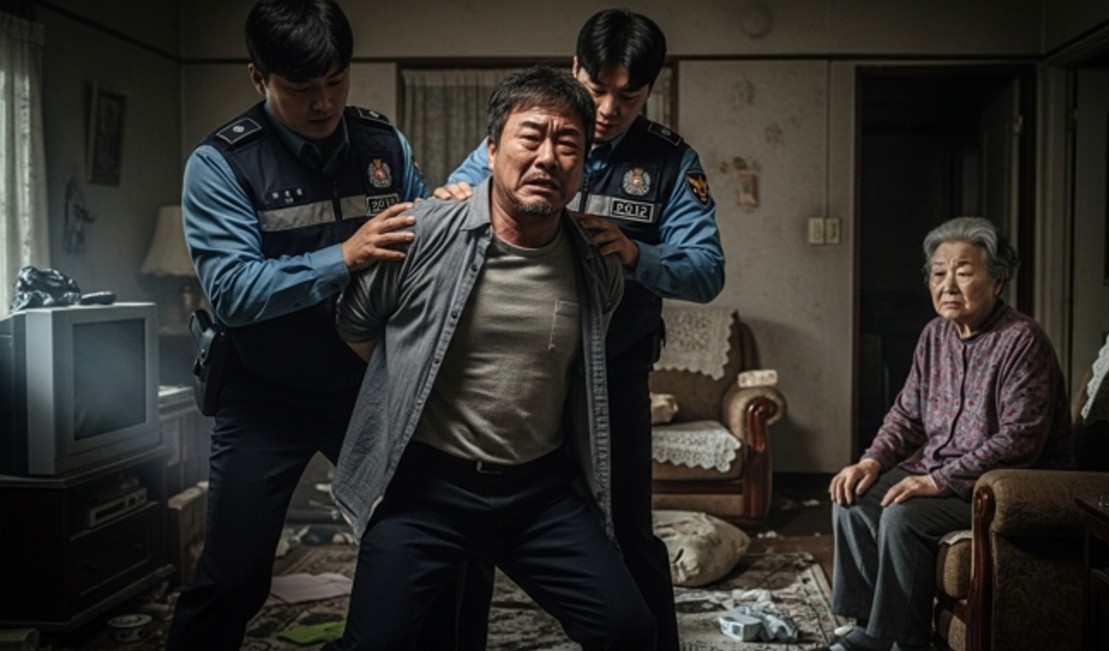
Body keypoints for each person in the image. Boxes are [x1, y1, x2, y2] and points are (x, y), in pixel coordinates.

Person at [325, 64, 654, 650]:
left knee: (628, 629)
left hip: (537, 495)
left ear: (583, 165)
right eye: (531, 137)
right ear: (492, 148)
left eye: (568, 144)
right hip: (427, 490)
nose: (548, 158)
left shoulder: (595, 260)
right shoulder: (420, 233)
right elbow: (356, 325)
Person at [437, 10, 725, 649]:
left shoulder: (671, 161)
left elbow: (707, 272)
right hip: (515, 372)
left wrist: (637, 254)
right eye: (597, 88)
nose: (608, 109)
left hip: (614, 369)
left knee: (626, 527)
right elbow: (457, 194)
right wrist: (450, 201)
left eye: (630, 95)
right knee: (468, 532)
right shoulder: (533, 131)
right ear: (575, 70)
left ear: (650, 90)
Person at [166, 1, 427, 648]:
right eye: (303, 87)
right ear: (259, 78)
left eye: (336, 81)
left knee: (424, 536)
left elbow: (421, 240)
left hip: (365, 385)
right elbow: (232, 293)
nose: (325, 102)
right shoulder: (221, 164)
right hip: (264, 394)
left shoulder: (383, 144)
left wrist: (445, 211)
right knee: (234, 577)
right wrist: (344, 256)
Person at [819, 217, 1072, 651]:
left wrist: (936, 481)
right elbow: (907, 414)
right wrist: (871, 460)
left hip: (1003, 485)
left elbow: (1019, 439)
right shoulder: (935, 335)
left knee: (903, 515)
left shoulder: (1022, 341)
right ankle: (867, 627)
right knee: (853, 499)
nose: (948, 285)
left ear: (998, 281)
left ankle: (897, 641)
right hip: (939, 472)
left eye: (964, 272)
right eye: (938, 273)